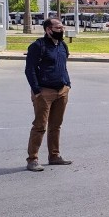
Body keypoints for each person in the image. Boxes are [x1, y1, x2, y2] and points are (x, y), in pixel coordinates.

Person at [24, 18, 73, 171]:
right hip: (44, 92)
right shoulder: (38, 46)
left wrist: (67, 84)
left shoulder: (62, 45)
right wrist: (37, 91)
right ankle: (32, 159)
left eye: (62, 27)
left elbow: (63, 65)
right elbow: (29, 70)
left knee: (56, 126)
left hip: (62, 91)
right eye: (58, 27)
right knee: (39, 126)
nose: (62, 30)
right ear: (48, 30)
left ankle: (54, 156)